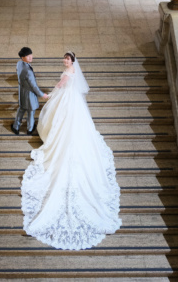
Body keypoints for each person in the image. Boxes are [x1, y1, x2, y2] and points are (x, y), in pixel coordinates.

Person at [21, 51, 121, 250]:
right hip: (72, 101)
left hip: (67, 100)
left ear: (72, 61)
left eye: (68, 59)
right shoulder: (72, 70)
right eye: (65, 58)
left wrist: (49, 94)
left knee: (62, 124)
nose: (65, 61)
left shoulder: (69, 72)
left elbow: (61, 85)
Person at [12, 47, 48, 135]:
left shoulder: (19, 64)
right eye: (28, 56)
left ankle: (16, 127)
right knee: (31, 112)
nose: (31, 57)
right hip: (29, 95)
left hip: (22, 92)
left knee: (21, 109)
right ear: (23, 57)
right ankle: (30, 129)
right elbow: (34, 86)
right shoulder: (28, 71)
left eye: (31, 55)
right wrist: (42, 94)